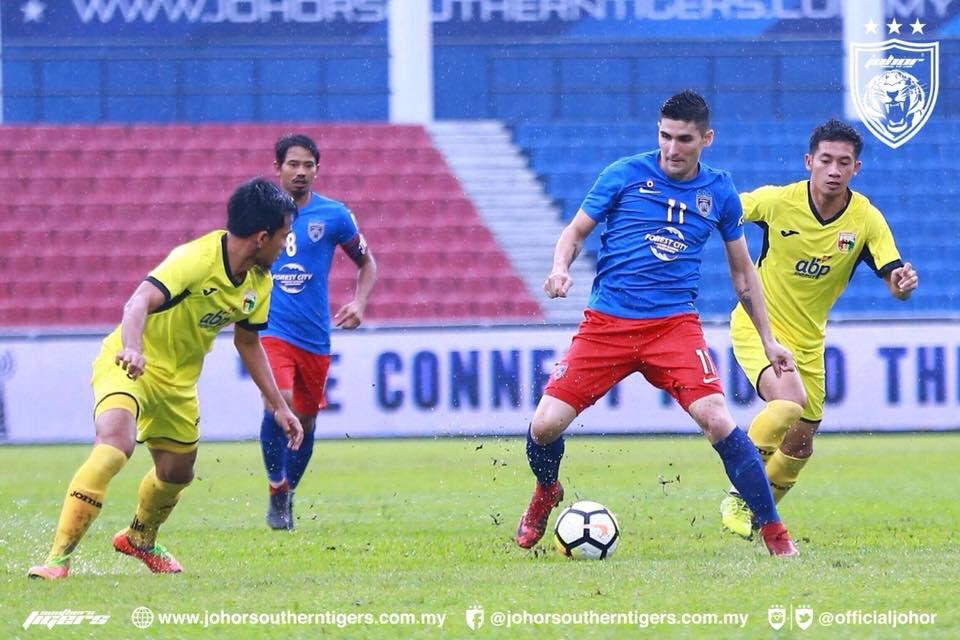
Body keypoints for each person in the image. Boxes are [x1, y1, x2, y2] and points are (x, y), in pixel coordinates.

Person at [514, 90, 801, 557]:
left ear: (706, 138)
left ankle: (774, 532)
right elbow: (574, 232)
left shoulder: (719, 192)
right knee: (544, 427)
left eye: (684, 139)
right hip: (606, 324)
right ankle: (547, 490)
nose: (672, 148)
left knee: (717, 418)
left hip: (673, 328)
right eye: (665, 136)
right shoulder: (624, 174)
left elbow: (743, 272)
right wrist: (560, 267)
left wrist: (768, 340)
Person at [28, 178, 303, 580]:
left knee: (177, 473)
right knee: (114, 446)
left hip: (178, 384)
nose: (285, 245)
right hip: (128, 363)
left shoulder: (260, 282)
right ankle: (56, 560)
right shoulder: (194, 260)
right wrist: (133, 348)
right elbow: (138, 301)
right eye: (283, 237)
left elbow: (248, 343)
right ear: (262, 237)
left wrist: (279, 406)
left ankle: (139, 538)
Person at [719, 119, 918, 538]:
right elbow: (728, 207)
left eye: (843, 163)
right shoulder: (778, 202)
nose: (833, 170)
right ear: (809, 161)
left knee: (800, 442)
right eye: (825, 160)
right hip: (760, 327)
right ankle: (739, 494)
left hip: (809, 342)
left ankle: (758, 515)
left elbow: (894, 278)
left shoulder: (865, 219)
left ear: (855, 168)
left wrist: (901, 285)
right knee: (788, 402)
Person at [258, 134, 377, 530]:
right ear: (277, 168)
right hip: (272, 329)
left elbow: (367, 263)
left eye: (308, 165)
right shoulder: (258, 213)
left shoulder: (334, 216)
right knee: (282, 403)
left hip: (315, 338)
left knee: (305, 424)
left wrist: (359, 303)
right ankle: (276, 486)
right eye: (293, 164)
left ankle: (287, 494)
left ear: (316, 169)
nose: (300, 172)